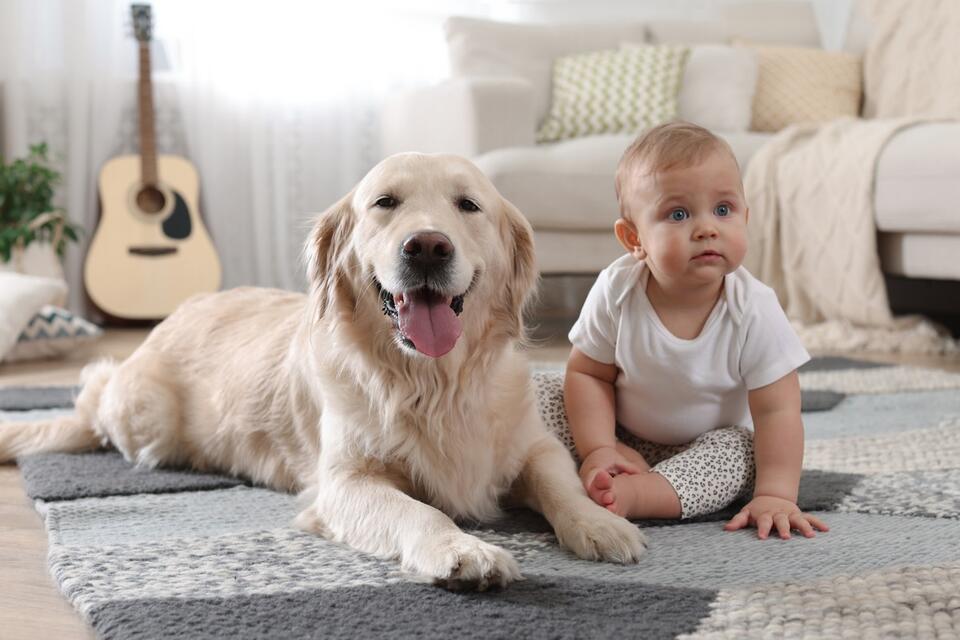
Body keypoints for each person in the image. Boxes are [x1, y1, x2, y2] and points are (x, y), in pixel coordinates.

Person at [564, 121, 828, 539]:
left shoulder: (753, 308)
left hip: (705, 448)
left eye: (723, 210)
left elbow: (777, 410)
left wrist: (777, 494)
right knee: (537, 395)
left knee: (739, 456)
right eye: (679, 214)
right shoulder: (617, 290)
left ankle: (635, 495)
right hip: (619, 432)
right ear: (635, 238)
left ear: (745, 216)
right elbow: (588, 374)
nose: (707, 228)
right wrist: (599, 446)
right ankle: (602, 467)